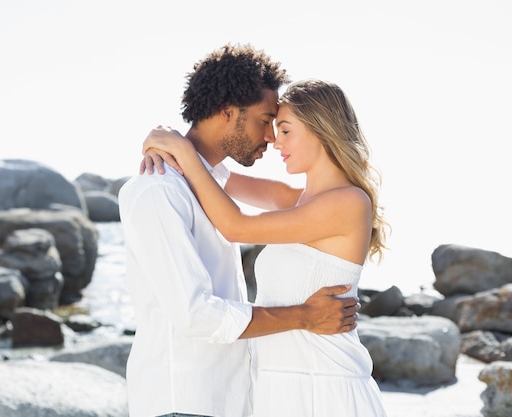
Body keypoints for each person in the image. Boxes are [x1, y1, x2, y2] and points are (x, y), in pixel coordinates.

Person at [118, 44, 361, 417]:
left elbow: (236, 216)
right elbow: (196, 313)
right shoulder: (159, 191)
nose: (271, 138)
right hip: (183, 402)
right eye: (267, 121)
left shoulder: (209, 185)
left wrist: (182, 149)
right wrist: (304, 315)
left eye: (282, 128)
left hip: (233, 399)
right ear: (228, 113)